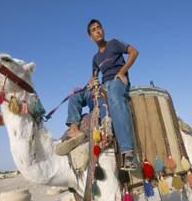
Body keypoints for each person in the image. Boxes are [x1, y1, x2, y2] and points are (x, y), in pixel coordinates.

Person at [56, 19, 139, 170]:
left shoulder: (114, 43)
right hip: (103, 86)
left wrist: (122, 72)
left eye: (99, 28)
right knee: (76, 96)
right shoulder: (95, 58)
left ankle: (128, 153)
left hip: (117, 82)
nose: (97, 31)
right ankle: (74, 131)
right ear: (90, 36)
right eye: (94, 30)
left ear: (103, 30)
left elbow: (134, 52)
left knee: (114, 96)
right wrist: (82, 89)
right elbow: (93, 77)